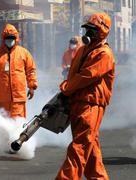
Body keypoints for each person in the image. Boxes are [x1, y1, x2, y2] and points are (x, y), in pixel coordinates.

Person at [56, 13, 115, 180]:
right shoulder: (82, 50)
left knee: (79, 147)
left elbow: (86, 76)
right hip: (78, 103)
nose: (88, 33)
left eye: (92, 30)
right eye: (87, 29)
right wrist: (67, 93)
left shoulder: (104, 54)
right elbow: (73, 74)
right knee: (90, 147)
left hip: (91, 104)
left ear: (102, 32)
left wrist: (67, 88)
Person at [0, 24, 37, 118]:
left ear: (16, 38)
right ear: (3, 39)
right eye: (7, 38)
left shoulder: (24, 53)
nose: (10, 40)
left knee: (18, 125)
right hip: (1, 99)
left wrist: (32, 86)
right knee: (3, 125)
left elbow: (31, 70)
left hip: (18, 98)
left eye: (12, 38)